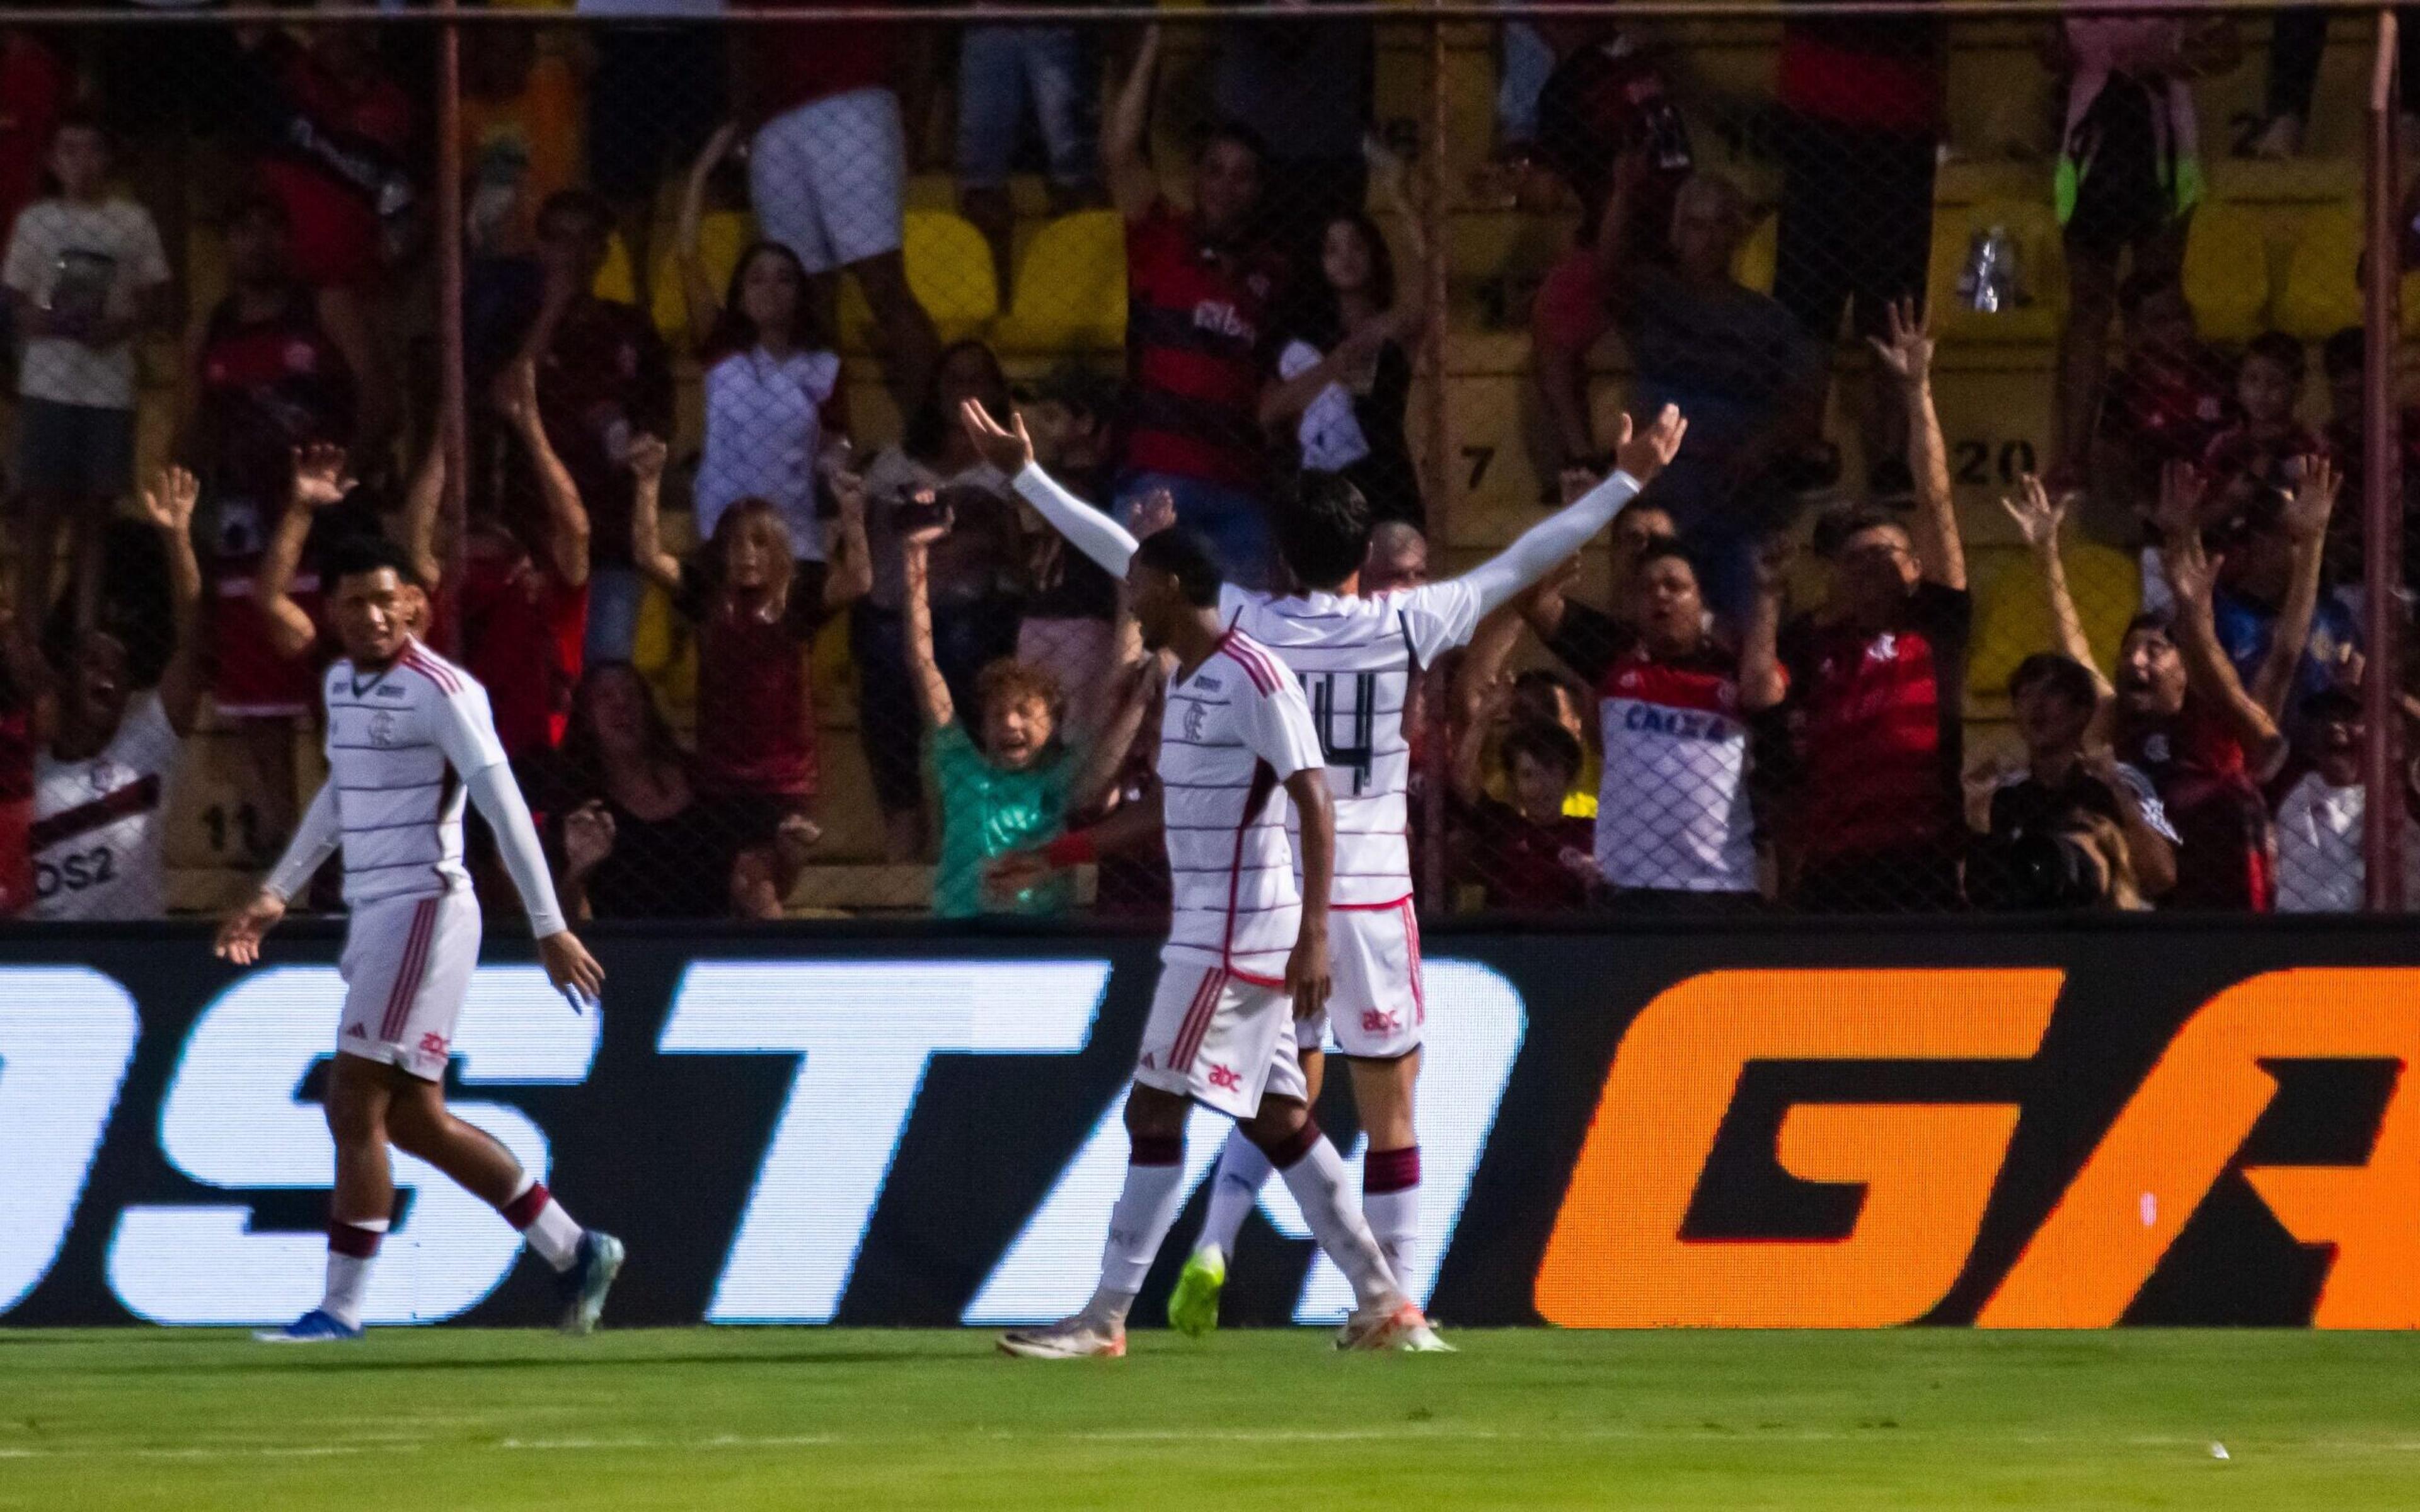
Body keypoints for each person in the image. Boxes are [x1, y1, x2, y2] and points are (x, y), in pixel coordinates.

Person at [967, 392, 1684, 1336]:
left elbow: (1123, 556)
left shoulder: (1249, 621)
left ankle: (1188, 1292)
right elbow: (1524, 559)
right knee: (1387, 1107)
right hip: (1374, 891)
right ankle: (1397, 1302)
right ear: (1362, 555)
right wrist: (1628, 480)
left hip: (1271, 894)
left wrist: (1025, 474)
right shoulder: (1406, 620)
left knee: (1259, 1101)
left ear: (1278, 555)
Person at [986, 521, 1438, 1360]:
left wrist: (1312, 937)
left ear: (1164, 586)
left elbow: (1314, 797)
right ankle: (1384, 1303)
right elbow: (1168, 810)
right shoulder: (1185, 682)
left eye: (1133, 585)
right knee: (1279, 1119)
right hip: (1211, 931)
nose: (1126, 600)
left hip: (1236, 938)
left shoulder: (1254, 677)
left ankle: (1104, 1319)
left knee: (1153, 1106)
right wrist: (1058, 854)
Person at [213, 536, 621, 1343]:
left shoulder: (445, 692)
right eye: (354, 601)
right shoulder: (342, 686)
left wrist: (550, 927)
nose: (371, 615)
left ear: (415, 607)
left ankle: (340, 1310)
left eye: (384, 600)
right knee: (415, 1121)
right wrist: (273, 892)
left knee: (352, 1096)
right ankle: (577, 1250)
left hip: (425, 907)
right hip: (377, 912)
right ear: (331, 612)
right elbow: (340, 793)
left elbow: (502, 807)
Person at [1777, 299, 1968, 910]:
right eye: (1855, 560)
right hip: (1833, 865)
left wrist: (1917, 392)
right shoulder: (1808, 643)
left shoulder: (1935, 629)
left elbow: (1936, 504)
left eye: (1887, 553)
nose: (1873, 566)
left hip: (1925, 858)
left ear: (1916, 569)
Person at [630, 435, 872, 918]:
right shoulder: (707, 595)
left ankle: (773, 961)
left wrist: (852, 512)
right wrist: (648, 482)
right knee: (732, 886)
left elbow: (859, 581)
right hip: (719, 774)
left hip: (783, 776)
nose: (746, 554)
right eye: (735, 543)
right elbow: (647, 556)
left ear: (778, 550)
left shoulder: (796, 598)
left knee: (757, 884)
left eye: (759, 543)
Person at [1594, 158, 1824, 619]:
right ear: (1677, 234)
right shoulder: (1653, 294)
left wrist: (1762, 447)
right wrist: (1622, 195)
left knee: (1746, 571)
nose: (1710, 238)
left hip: (1737, 482)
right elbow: (1607, 277)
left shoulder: (1769, 319)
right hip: (1665, 477)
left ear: (1738, 234)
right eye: (1697, 225)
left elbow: (1806, 398)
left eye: (1722, 224)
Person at [1102, 26, 1288, 587]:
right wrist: (1155, 44)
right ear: (1196, 177)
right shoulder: (1163, 239)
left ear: (1259, 189)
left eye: (1242, 176)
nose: (1226, 187)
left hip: (1240, 490)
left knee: (1249, 638)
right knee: (1146, 638)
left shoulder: (1275, 272)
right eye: (1214, 170)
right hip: (1158, 479)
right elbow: (1119, 153)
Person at [902, 507, 1151, 919]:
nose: (1010, 723)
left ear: (1053, 725)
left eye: (1024, 712)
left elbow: (1115, 686)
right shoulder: (961, 765)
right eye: (997, 713)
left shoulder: (1063, 776)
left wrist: (1127, 583)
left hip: (1041, 935)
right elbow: (922, 662)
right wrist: (914, 557)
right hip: (960, 933)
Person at [1518, 538, 1785, 908]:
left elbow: (1762, 694)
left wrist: (1767, 595)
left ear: (1702, 601)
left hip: (1723, 884)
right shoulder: (1614, 655)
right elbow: (1534, 603)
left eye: (1675, 587)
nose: (1660, 596)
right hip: (1628, 887)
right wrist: (1573, 533)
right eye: (1647, 589)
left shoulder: (1734, 663)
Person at [2046, 14, 2238, 486]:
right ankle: (2074, 457)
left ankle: (2164, 443)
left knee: (2156, 299)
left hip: (2167, 142)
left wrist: (2171, 57)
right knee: (2089, 306)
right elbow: (2045, 47)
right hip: (2088, 144)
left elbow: (2228, 46)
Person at [855, 341, 1028, 862]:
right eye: (954, 379)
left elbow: (1021, 562)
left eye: (978, 379)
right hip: (895, 608)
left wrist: (983, 532)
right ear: (934, 390)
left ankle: (970, 824)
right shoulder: (895, 462)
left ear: (997, 391)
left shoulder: (1012, 465)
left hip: (975, 614)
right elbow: (867, 549)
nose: (966, 390)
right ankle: (904, 830)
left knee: (961, 642)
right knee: (884, 650)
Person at [2108, 464, 2305, 909]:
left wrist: (2185, 556)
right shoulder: (2117, 730)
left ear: (2184, 671)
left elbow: (2273, 655)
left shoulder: (2216, 730)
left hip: (2235, 915)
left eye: (2155, 651)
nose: (2136, 662)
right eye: (2129, 651)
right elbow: (2080, 662)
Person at [489, 190, 674, 663]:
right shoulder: (514, 322)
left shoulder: (630, 327)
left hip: (610, 537)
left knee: (605, 672)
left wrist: (642, 447)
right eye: (560, 240)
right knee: (538, 675)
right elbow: (506, 397)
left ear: (602, 251)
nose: (571, 253)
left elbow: (660, 421)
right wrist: (552, 307)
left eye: (586, 241)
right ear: (541, 247)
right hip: (532, 537)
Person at [4, 113, 172, 631]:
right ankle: (30, 633)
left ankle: (83, 633)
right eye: (68, 151)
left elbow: (156, 296)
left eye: (91, 149)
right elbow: (13, 298)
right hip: (47, 380)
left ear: (108, 157)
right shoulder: (36, 222)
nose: (80, 163)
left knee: (95, 516)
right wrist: (42, 319)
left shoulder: (131, 221)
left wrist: (120, 325)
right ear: (53, 161)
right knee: (41, 511)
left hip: (108, 385)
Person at [1769, 3, 1944, 498]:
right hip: (1822, 108)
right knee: (1808, 294)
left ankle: (1891, 455)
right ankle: (1803, 444)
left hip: (1899, 112)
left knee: (1894, 298)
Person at [1983, 478, 2181, 903]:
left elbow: (2163, 876)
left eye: (2052, 694)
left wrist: (2117, 793)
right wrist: (2046, 552)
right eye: (2027, 695)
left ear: (2081, 712)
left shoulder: (2123, 779)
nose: (2037, 705)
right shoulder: (2011, 795)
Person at [30, 467, 205, 920]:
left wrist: (177, 539)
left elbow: (194, 648)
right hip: (42, 963)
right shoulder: (25, 768)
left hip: (134, 952)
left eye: (119, 667)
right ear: (66, 676)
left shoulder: (145, 743)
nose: (108, 674)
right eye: (93, 662)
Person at [749, 0, 938, 410]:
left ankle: (931, 439)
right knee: (804, 298)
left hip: (854, 95)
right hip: (774, 113)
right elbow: (739, 32)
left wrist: (915, 107)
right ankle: (828, 445)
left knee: (882, 283)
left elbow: (917, 26)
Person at [1525, 21, 1693, 482]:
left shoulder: (1577, 80)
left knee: (1552, 315)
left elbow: (1544, 195)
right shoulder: (1637, 63)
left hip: (1638, 241)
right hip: (1675, 231)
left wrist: (1523, 177)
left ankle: (1581, 455)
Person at [1262, 164, 1429, 528]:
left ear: (1374, 253)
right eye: (1333, 249)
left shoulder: (1390, 326)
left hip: (1386, 477)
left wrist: (1400, 200)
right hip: (1324, 487)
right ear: (1319, 262)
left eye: (1356, 245)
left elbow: (1426, 284)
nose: (1347, 257)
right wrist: (1333, 367)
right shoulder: (1305, 339)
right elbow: (1268, 411)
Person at [681, 213, 849, 568]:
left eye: (784, 280)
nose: (770, 289)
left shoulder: (823, 366)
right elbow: (687, 256)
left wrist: (836, 462)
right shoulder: (721, 351)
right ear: (739, 297)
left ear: (801, 295)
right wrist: (704, 167)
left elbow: (837, 442)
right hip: (722, 535)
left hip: (794, 539)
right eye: (756, 279)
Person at [555, 663, 769, 921]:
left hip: (711, 940)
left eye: (631, 693)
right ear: (587, 719)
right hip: (628, 948)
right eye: (605, 696)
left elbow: (754, 877)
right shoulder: (579, 804)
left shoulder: (701, 778)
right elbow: (558, 922)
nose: (621, 703)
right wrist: (580, 868)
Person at [228, 25, 415, 295]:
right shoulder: (291, 76)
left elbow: (402, 185)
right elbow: (249, 28)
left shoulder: (392, 104)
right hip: (283, 280)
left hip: (357, 280)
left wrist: (396, 247)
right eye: (324, 24)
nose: (333, 34)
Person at [1015, 365, 1127, 741]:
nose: (1042, 427)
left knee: (1077, 733)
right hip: (1039, 611)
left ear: (1086, 423)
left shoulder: (1108, 487)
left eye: (1052, 416)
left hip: (1085, 619)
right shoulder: (1053, 482)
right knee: (1035, 727)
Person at [957, 20, 1100, 296]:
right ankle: (990, 296)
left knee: (1074, 173)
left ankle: (1077, 290)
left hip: (1055, 20)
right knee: (981, 181)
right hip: (988, 21)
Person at [2273, 689, 2419, 912]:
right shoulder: (2292, 783)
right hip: (2294, 935)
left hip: (2365, 935)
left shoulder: (2396, 795)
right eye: (2324, 717)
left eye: (2348, 717)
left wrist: (2389, 693)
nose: (2334, 725)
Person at [1448, 702, 1596, 911]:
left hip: (1571, 939)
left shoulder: (1591, 833)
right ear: (1514, 782)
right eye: (1527, 775)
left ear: (1569, 775)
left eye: (1551, 770)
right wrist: (1486, 713)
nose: (1539, 786)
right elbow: (1463, 777)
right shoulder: (1503, 828)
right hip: (1509, 939)